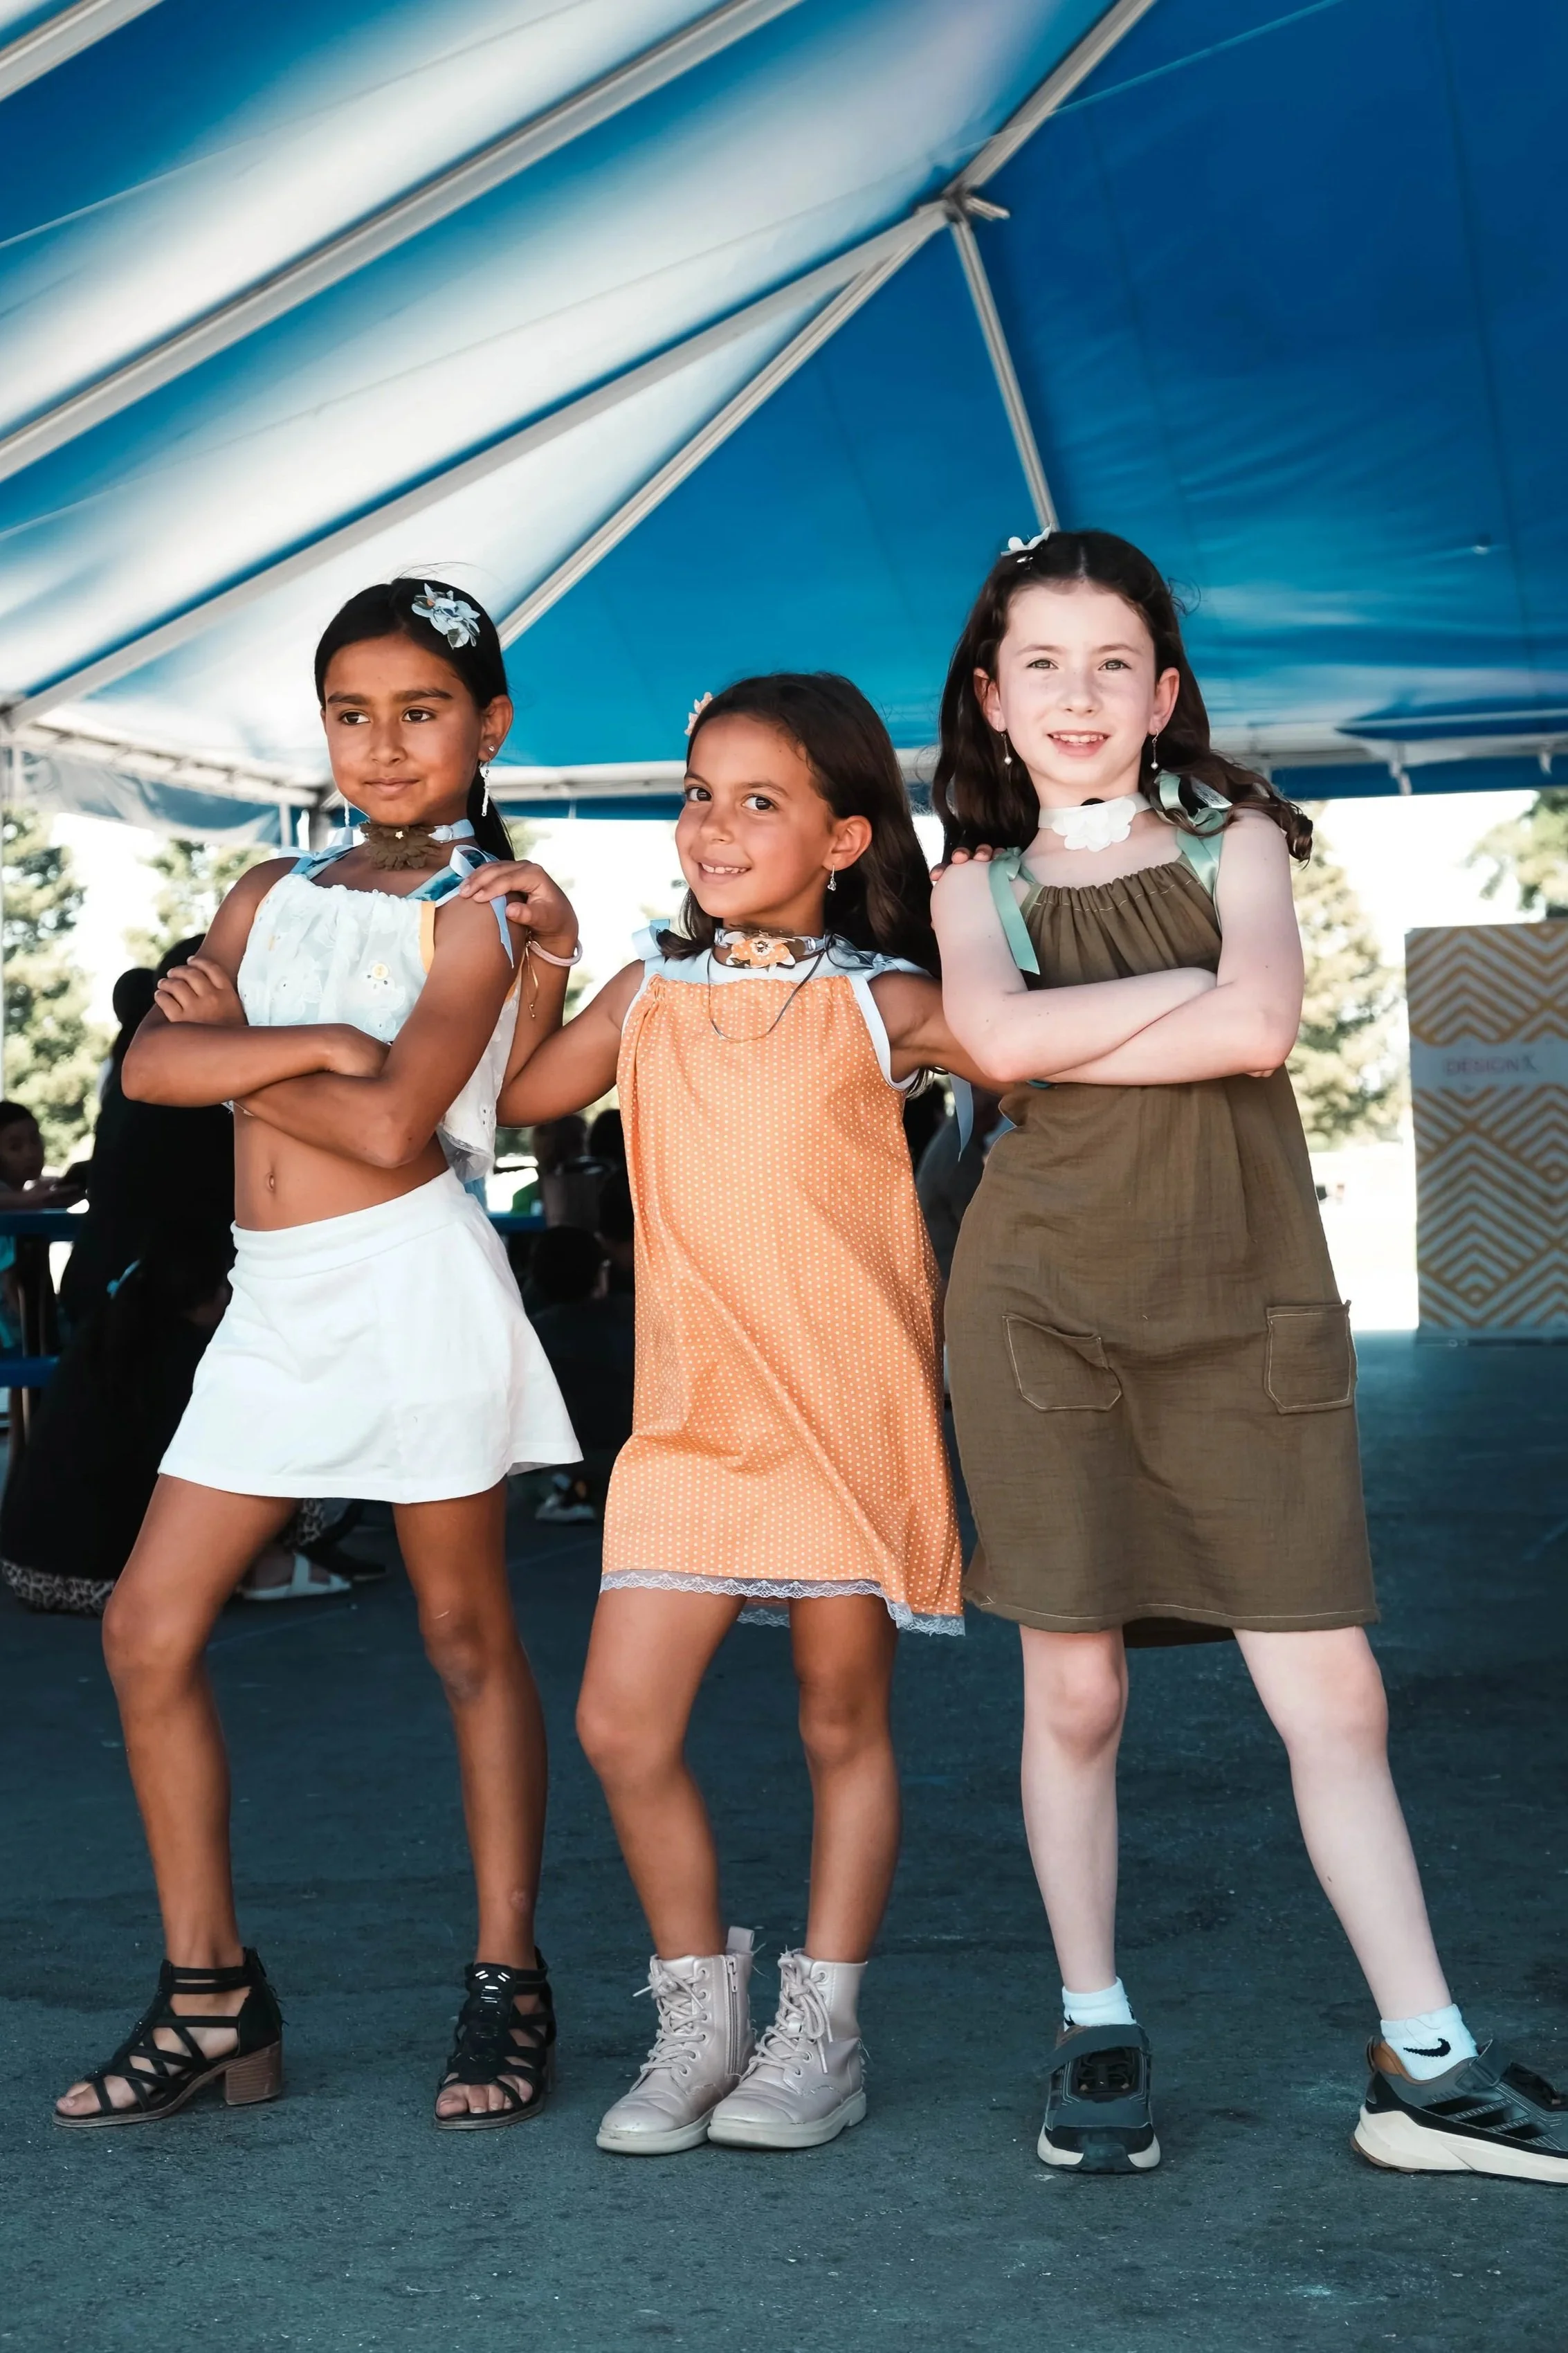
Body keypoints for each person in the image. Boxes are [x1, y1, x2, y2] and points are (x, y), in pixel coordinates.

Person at [460, 671, 1191, 2157]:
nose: (710, 825)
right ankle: (699, 2011)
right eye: (697, 793)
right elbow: (526, 1088)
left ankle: (823, 2028)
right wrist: (547, 957)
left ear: (846, 837)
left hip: (841, 1410)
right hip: (687, 1421)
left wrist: (1194, 982)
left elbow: (1040, 1057)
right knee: (618, 1717)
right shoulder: (648, 993)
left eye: (757, 800)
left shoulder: (884, 1002)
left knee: (838, 1717)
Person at [931, 526, 1568, 2184]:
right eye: (1042, 665)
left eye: (1111, 664)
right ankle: (1092, 2019)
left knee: (1329, 1688)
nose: (1078, 696)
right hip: (1036, 1310)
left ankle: (1421, 2063)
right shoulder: (967, 885)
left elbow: (1259, 1027)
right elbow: (991, 1041)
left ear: (1162, 690)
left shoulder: (1240, 837)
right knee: (1071, 1687)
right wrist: (1173, 988)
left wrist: (1088, 1022)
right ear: (992, 697)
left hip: (1238, 1303)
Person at [53, 576, 583, 2135]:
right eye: (351, 711)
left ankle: (508, 1978)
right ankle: (213, 1993)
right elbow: (146, 1058)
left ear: (487, 724)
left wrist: (243, 1060)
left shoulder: (487, 907)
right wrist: (319, 1043)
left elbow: (388, 1124)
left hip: (410, 1285)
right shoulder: (263, 890)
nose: (383, 742)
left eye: (421, 709)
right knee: (146, 1628)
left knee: (463, 1634)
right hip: (274, 1303)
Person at [1, 1220, 233, 1616]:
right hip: (108, 1580)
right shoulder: (187, 1359)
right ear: (210, 1293)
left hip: (24, 1567)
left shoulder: (104, 1332)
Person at [526, 1224, 635, 1521]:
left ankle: (569, 1493)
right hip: (629, 1459)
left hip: (559, 1464)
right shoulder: (635, 1317)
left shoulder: (529, 1335)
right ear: (601, 1273)